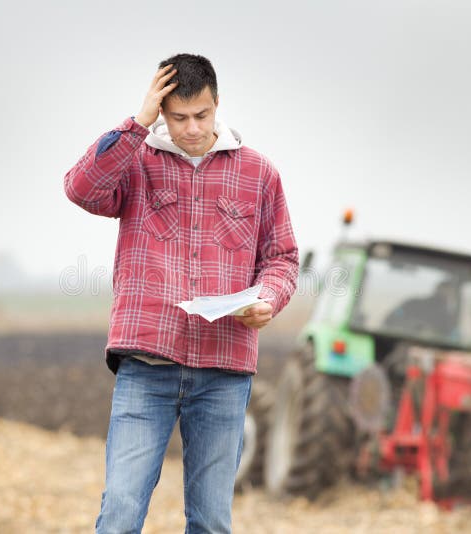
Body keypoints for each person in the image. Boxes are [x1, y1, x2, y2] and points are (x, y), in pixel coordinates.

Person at [63, 53, 299, 533]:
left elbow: (282, 258)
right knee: (121, 513)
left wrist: (269, 299)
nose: (192, 128)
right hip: (146, 366)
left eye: (202, 115)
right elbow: (81, 190)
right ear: (163, 111)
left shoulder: (259, 173)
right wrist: (137, 123)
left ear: (218, 104)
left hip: (223, 371)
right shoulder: (135, 161)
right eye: (178, 117)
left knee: (211, 522)